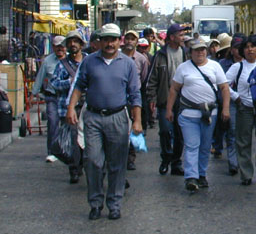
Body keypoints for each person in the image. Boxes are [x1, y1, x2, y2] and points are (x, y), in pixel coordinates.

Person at [66, 23, 142, 220]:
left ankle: (114, 204)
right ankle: (95, 203)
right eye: (106, 39)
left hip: (118, 117)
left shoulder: (128, 64)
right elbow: (79, 86)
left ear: (119, 41)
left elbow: (135, 94)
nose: (110, 43)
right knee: (93, 160)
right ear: (99, 41)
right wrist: (71, 107)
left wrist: (137, 121)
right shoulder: (90, 61)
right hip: (93, 117)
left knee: (117, 163)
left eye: (113, 39)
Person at [165, 39, 230, 191]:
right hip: (188, 114)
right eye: (196, 50)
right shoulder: (183, 68)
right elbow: (174, 89)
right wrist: (169, 109)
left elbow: (224, 88)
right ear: (190, 52)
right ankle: (191, 177)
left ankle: (201, 174)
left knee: (205, 146)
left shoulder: (215, 66)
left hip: (209, 115)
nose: (200, 52)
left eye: (202, 49)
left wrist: (225, 108)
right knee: (192, 145)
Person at [226, 35, 256, 185]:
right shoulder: (238, 67)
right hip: (244, 108)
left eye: (253, 46)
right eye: (247, 47)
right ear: (243, 50)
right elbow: (224, 84)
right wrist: (236, 97)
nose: (250, 49)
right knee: (243, 141)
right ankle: (246, 174)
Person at [146, 23, 188, 176]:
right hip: (164, 100)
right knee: (165, 130)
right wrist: (152, 98)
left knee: (180, 133)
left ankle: (176, 163)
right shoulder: (160, 55)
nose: (183, 38)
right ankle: (166, 158)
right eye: (180, 35)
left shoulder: (186, 53)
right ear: (171, 37)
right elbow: (152, 79)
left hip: (182, 101)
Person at [50, 30, 87, 183]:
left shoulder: (89, 61)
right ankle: (74, 168)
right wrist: (69, 82)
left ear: (81, 44)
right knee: (72, 139)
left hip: (88, 107)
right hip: (69, 108)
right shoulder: (62, 65)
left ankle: (88, 166)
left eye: (75, 41)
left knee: (88, 139)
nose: (72, 44)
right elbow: (54, 84)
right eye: (70, 42)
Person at [32, 35, 66, 163]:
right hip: (52, 96)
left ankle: (64, 149)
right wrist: (34, 92)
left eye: (62, 46)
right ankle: (52, 151)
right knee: (52, 122)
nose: (60, 49)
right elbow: (40, 77)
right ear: (53, 47)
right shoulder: (48, 61)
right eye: (57, 47)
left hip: (66, 97)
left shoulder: (70, 59)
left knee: (67, 125)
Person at [215, 34, 244, 172]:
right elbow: (222, 85)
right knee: (232, 132)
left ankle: (243, 162)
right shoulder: (223, 64)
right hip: (230, 102)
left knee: (244, 134)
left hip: (247, 103)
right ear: (231, 49)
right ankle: (233, 163)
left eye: (241, 48)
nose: (239, 51)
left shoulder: (250, 62)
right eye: (236, 48)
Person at [122, 30, 150, 167]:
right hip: (119, 96)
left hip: (134, 97)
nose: (129, 41)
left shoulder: (141, 59)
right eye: (127, 38)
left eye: (132, 39)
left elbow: (144, 78)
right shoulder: (118, 56)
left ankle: (130, 158)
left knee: (133, 127)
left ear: (136, 42)